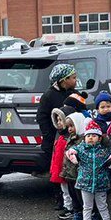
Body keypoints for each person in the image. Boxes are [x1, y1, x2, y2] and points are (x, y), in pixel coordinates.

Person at [68, 119, 111, 220]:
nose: (91, 138)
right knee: (87, 206)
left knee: (102, 205)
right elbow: (70, 151)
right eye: (88, 136)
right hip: (85, 183)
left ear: (100, 138)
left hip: (101, 183)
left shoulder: (104, 150)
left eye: (94, 136)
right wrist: (73, 156)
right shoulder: (80, 149)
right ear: (85, 137)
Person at [38, 64, 78, 211]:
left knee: (71, 170)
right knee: (57, 170)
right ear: (63, 80)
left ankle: (74, 201)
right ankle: (60, 199)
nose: (76, 80)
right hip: (55, 139)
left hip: (72, 138)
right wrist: (49, 135)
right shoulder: (49, 95)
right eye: (73, 78)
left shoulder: (74, 93)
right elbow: (42, 117)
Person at [52, 112, 86, 220]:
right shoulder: (70, 138)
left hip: (79, 175)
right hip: (70, 174)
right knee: (73, 195)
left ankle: (85, 216)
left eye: (72, 126)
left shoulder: (83, 140)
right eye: (69, 126)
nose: (70, 129)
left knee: (81, 197)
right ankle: (77, 214)